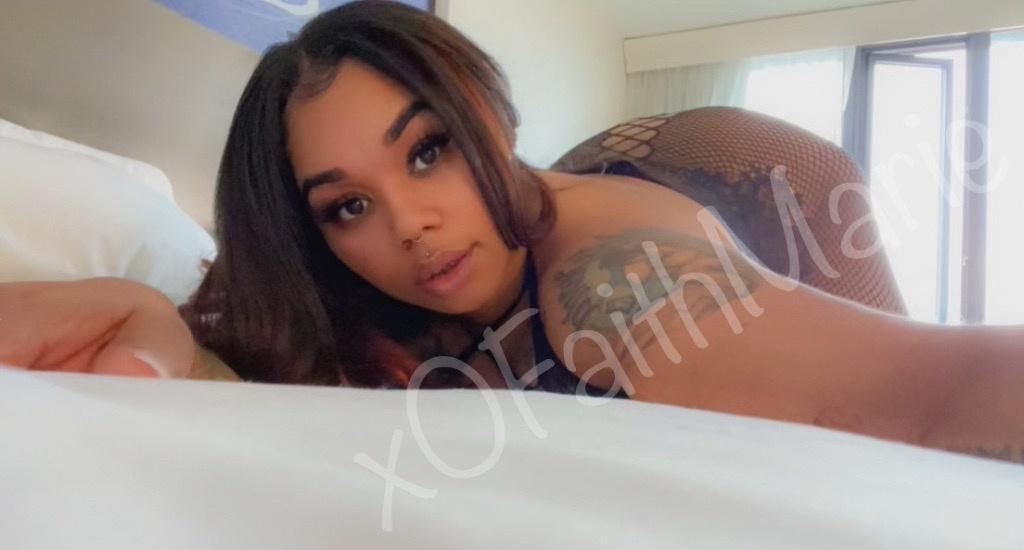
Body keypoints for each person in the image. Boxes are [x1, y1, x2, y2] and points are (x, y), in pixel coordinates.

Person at [1, 0, 1022, 464]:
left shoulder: (617, 283)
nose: (410, 225)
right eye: (347, 205)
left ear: (486, 115)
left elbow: (928, 395)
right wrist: (155, 323)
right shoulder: (346, 285)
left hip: (744, 167)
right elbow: (228, 330)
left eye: (428, 149)